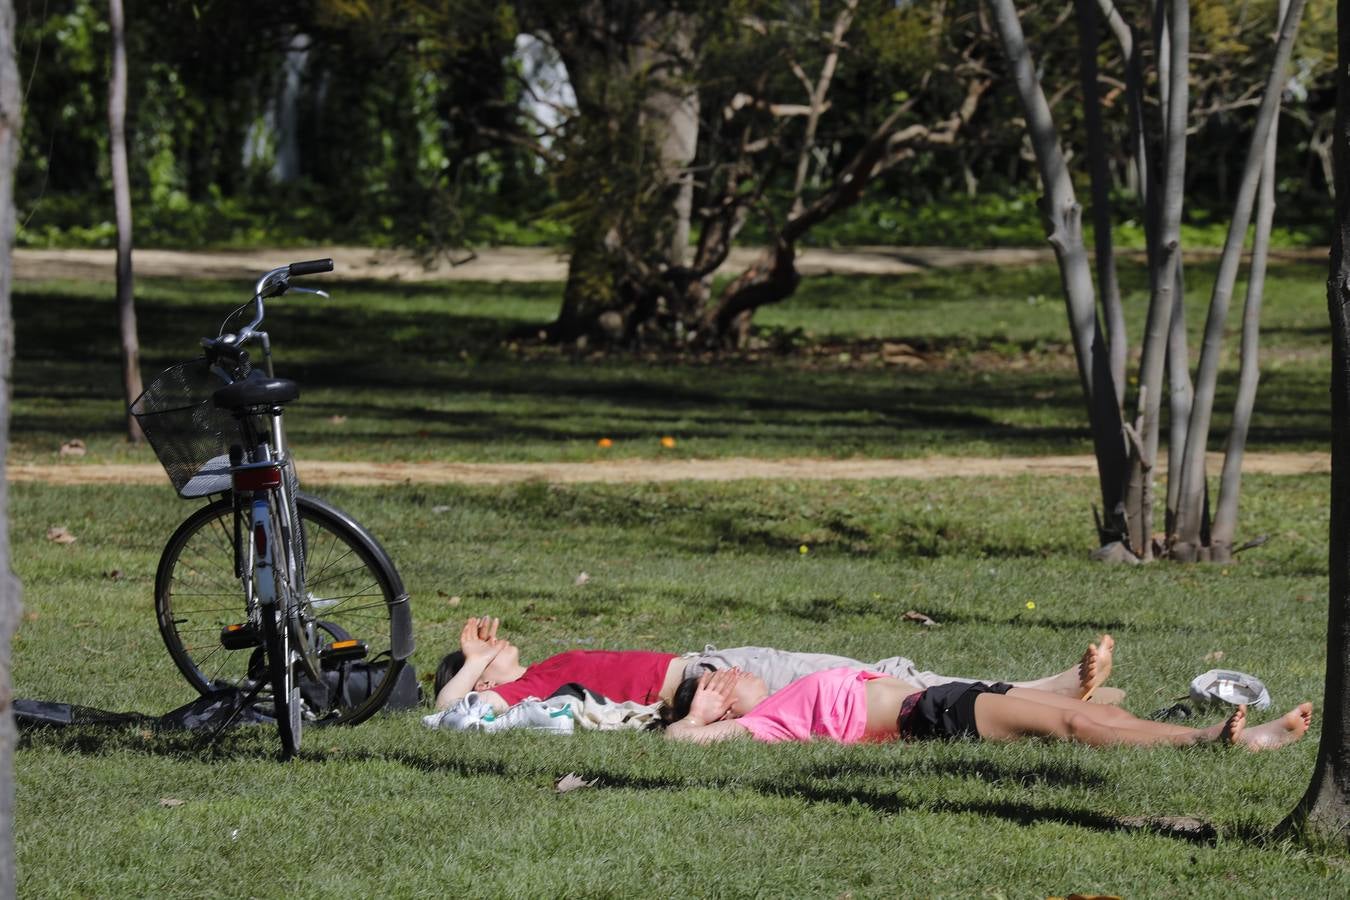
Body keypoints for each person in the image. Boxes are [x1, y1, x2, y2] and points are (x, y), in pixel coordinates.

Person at [432, 616, 1117, 714]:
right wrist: (472, 665)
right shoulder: (519, 691)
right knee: (882, 679)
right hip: (714, 680)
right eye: (491, 652)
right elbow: (445, 713)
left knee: (882, 674)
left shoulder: (539, 673)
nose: (500, 641)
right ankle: (1035, 694)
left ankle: (1029, 693)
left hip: (713, 664)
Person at [661, 663, 1314, 752]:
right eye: (716, 678)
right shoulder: (758, 723)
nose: (731, 671)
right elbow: (677, 748)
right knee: (1075, 723)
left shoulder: (782, 691)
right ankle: (1212, 743)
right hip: (932, 715)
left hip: (953, 697)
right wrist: (696, 718)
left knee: (1098, 717)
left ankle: (1212, 732)